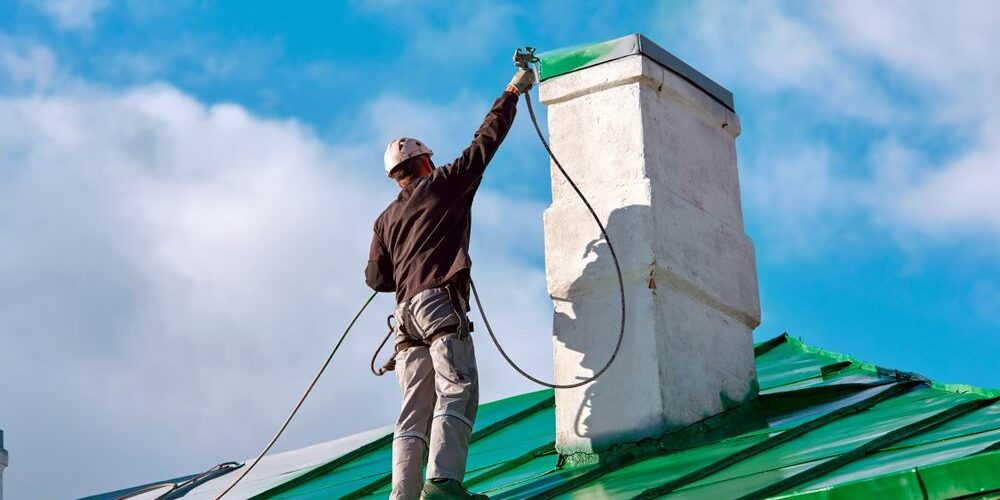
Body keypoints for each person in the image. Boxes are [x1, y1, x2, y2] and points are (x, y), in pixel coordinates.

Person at [365, 66, 535, 500]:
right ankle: (442, 484)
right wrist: (512, 92)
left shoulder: (385, 220)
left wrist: (408, 258)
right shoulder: (443, 184)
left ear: (395, 175)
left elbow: (376, 278)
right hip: (438, 304)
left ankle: (403, 495)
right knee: (457, 389)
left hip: (405, 318)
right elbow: (485, 143)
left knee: (413, 412)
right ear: (424, 162)